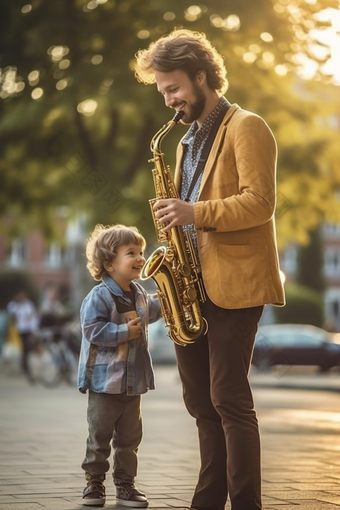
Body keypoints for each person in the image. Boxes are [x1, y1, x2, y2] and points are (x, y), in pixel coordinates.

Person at [134, 29, 285, 510]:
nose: (169, 101)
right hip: (190, 287)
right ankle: (206, 501)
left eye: (173, 88)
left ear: (202, 76)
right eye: (163, 92)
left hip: (236, 286)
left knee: (229, 400)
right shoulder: (183, 143)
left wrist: (193, 213)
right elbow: (184, 213)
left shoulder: (247, 126)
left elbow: (260, 204)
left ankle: (245, 504)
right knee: (200, 404)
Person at [78, 224, 161, 507]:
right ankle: (94, 484)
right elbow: (92, 331)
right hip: (105, 383)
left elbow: (155, 308)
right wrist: (123, 333)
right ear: (110, 263)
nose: (140, 257)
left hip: (132, 383)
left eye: (141, 251)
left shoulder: (138, 294)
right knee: (99, 436)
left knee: (129, 439)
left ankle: (125, 486)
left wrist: (173, 292)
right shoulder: (98, 296)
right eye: (131, 253)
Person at [7, 290, 39, 377]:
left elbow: (32, 316)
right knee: (24, 347)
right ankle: (24, 365)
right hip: (21, 329)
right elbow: (10, 310)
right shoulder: (16, 305)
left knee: (27, 347)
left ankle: (25, 364)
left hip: (28, 329)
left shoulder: (28, 304)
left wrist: (34, 328)